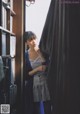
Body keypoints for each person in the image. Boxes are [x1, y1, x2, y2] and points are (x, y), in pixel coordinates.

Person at [24, 31, 52, 114]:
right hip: (33, 83)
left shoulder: (43, 51)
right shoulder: (25, 55)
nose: (34, 41)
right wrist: (38, 69)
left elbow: (48, 66)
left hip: (45, 81)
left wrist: (39, 52)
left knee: (47, 107)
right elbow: (26, 74)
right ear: (26, 42)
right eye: (31, 40)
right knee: (37, 109)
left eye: (34, 39)